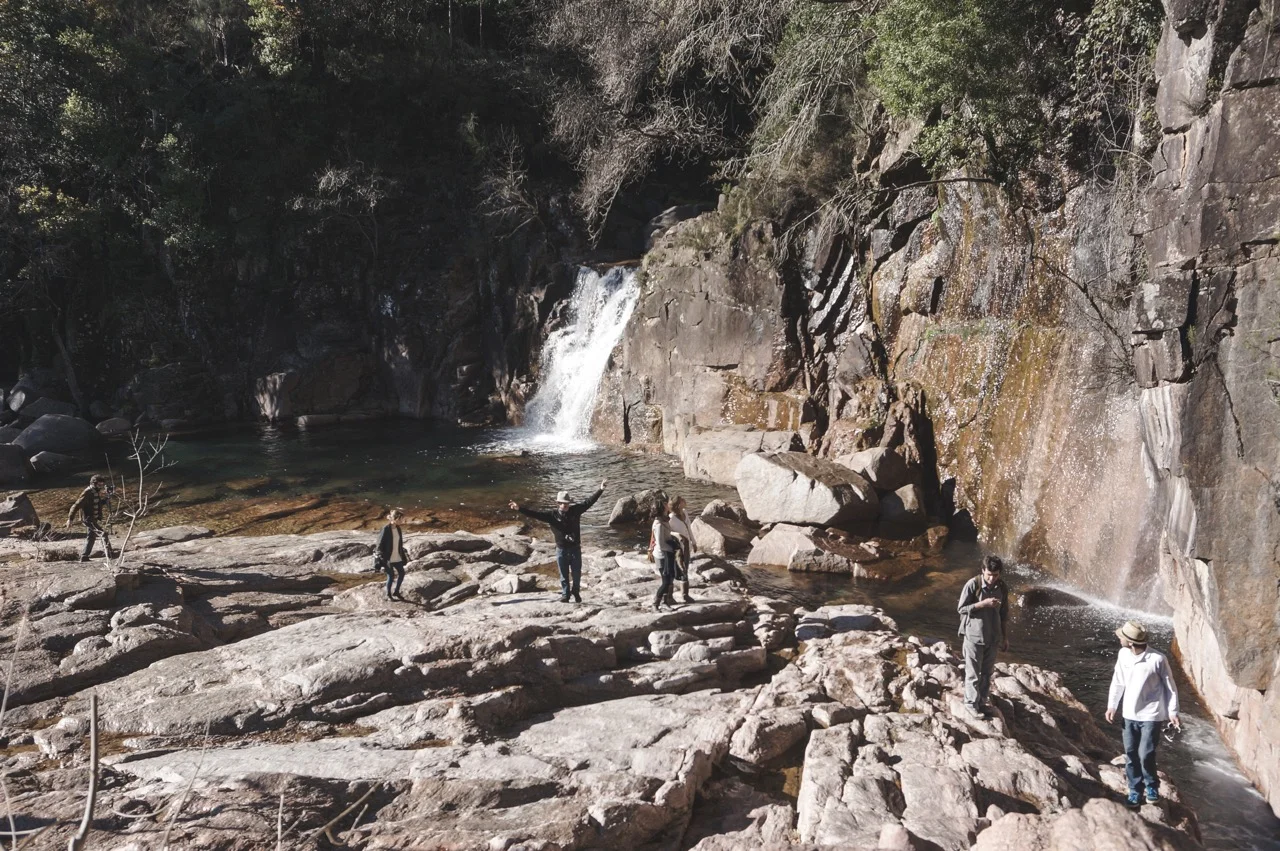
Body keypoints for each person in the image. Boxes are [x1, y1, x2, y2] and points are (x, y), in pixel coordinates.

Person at [1105, 620, 1180, 807]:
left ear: (1131, 642)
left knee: (1145, 753)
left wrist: (1172, 712)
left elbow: (1170, 687)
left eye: (1122, 636)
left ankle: (1151, 786)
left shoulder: (1158, 659)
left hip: (1151, 715)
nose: (1119, 638)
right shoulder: (1123, 654)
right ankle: (1134, 790)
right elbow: (1118, 681)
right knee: (1131, 754)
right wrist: (1112, 705)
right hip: (1129, 713)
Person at [509, 479, 607, 603]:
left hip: (575, 548)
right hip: (561, 550)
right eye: (562, 503)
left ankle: (576, 591)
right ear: (558, 503)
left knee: (576, 574)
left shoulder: (576, 510)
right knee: (564, 574)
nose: (565, 505)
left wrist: (601, 489)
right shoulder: (552, 516)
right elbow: (535, 514)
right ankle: (565, 594)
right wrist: (519, 508)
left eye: (567, 503)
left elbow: (589, 502)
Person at [956, 554, 1009, 718]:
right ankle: (970, 704)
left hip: (992, 638)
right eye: (989, 575)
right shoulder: (973, 585)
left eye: (995, 575)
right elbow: (961, 608)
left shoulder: (1002, 587)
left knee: (987, 673)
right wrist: (983, 604)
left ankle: (982, 702)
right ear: (983, 570)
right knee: (973, 673)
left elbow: (1004, 614)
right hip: (973, 636)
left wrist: (1005, 637)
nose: (992, 578)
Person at [66, 474, 117, 562]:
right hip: (88, 519)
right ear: (93, 483)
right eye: (99, 485)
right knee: (103, 533)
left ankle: (84, 556)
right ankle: (109, 553)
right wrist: (70, 519)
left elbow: (97, 503)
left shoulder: (95, 491)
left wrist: (106, 499)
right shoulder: (87, 492)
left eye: (102, 485)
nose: (101, 487)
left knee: (91, 537)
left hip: (93, 518)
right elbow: (76, 505)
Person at [667, 496, 696, 604]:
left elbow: (689, 528)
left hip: (687, 546)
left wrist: (694, 542)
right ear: (679, 504)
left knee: (685, 569)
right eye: (683, 500)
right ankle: (669, 597)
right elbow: (667, 532)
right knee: (674, 570)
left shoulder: (685, 512)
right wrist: (677, 534)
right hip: (677, 548)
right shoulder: (671, 518)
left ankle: (685, 595)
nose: (685, 501)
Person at [375, 509, 408, 601]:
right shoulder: (386, 529)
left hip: (397, 556)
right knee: (391, 576)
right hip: (388, 558)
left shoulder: (398, 528)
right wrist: (382, 559)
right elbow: (379, 544)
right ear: (396, 518)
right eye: (401, 519)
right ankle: (389, 595)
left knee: (402, 573)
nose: (403, 521)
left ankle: (396, 591)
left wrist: (403, 555)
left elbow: (399, 543)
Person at [651, 504, 678, 611]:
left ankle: (665, 602)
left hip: (668, 553)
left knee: (670, 579)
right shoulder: (659, 524)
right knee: (665, 581)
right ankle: (655, 604)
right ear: (661, 509)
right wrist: (674, 549)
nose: (668, 506)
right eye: (665, 505)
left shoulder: (665, 520)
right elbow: (661, 544)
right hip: (662, 555)